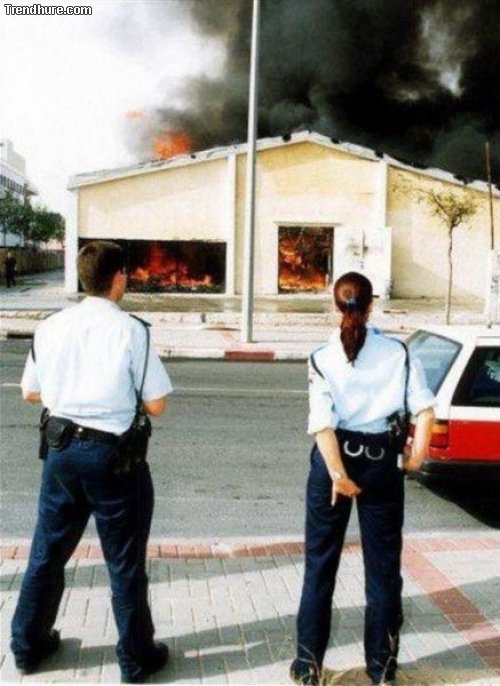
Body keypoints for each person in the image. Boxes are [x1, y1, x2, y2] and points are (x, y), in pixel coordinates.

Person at [10, 241, 173, 683]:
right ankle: (135, 657)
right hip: (114, 460)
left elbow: (30, 392)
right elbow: (157, 404)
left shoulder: (51, 326)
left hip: (61, 453)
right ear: (119, 277)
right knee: (124, 561)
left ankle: (27, 646)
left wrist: (70, 393)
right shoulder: (132, 331)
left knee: (47, 552)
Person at [290, 272, 435, 686]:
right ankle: (382, 670)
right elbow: (425, 411)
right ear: (372, 306)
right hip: (381, 463)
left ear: (335, 306)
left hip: (333, 464)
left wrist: (338, 475)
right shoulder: (398, 352)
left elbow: (323, 426)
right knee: (384, 569)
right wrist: (414, 459)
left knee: (320, 566)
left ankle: (308, 669)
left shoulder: (322, 356)